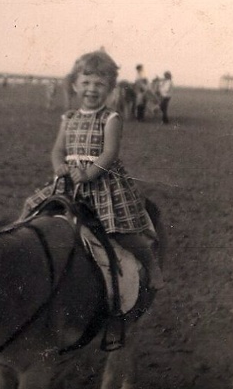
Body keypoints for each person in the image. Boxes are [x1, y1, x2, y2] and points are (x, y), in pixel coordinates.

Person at [19, 50, 164, 290]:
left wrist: (88, 174)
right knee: (31, 207)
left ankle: (151, 265)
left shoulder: (111, 118)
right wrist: (60, 167)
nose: (92, 89)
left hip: (102, 183)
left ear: (110, 89)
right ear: (74, 85)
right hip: (69, 181)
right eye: (85, 82)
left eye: (100, 84)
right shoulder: (69, 117)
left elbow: (109, 153)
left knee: (119, 231)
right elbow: (57, 150)